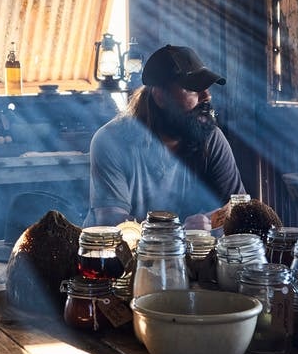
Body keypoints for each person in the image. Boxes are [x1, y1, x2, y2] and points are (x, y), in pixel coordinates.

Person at [83, 44, 245, 229]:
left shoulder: (211, 138)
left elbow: (238, 209)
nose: (206, 96)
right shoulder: (110, 141)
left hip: (193, 254)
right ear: (160, 96)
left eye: (206, 88)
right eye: (193, 89)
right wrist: (181, 234)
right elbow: (114, 229)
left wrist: (210, 222)